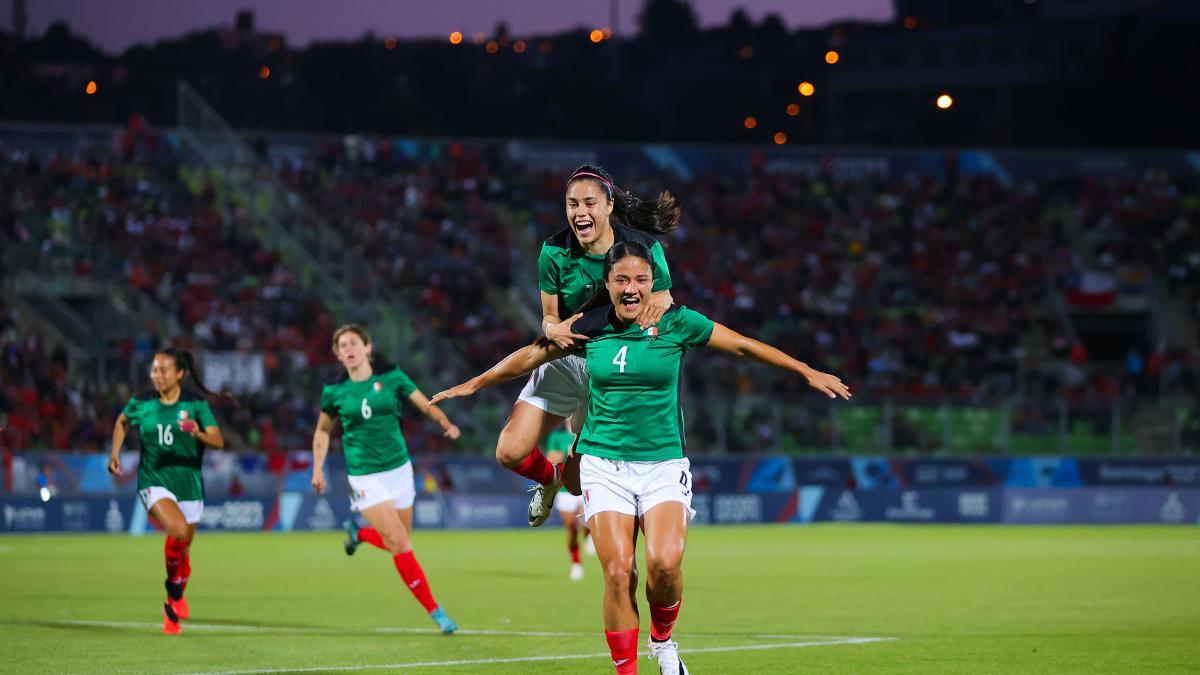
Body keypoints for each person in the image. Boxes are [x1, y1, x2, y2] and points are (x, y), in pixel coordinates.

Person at [431, 242, 851, 674]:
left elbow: (742, 345)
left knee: (665, 566)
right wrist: (476, 384)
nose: (631, 289)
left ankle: (663, 640)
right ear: (608, 284)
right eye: (622, 280)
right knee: (617, 573)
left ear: (655, 283)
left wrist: (807, 371)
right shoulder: (590, 325)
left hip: (663, 464)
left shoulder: (677, 322)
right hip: (603, 464)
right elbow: (531, 356)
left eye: (640, 280)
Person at [502, 164, 680, 527]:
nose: (579, 213)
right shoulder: (553, 251)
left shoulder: (644, 248)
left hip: (613, 367)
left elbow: (663, 305)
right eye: (572, 205)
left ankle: (563, 480)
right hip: (565, 360)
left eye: (589, 203)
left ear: (609, 206)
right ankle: (547, 480)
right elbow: (549, 317)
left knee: (576, 483)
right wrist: (552, 330)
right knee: (510, 451)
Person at [310, 324, 461, 634]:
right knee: (400, 542)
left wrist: (444, 422)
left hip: (399, 470)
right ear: (339, 356)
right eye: (342, 346)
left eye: (353, 343)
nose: (348, 349)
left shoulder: (391, 377)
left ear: (367, 347)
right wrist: (317, 468)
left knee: (400, 540)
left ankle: (358, 533)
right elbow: (323, 431)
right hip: (365, 476)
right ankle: (436, 611)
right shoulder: (335, 391)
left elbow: (422, 403)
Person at [108, 348, 230, 635]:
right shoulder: (142, 401)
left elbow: (218, 440)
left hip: (189, 482)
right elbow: (122, 421)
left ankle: (171, 606)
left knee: (184, 550)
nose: (157, 375)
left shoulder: (196, 405)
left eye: (163, 370)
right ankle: (173, 591)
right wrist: (114, 452)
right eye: (154, 369)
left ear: (180, 374)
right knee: (177, 530)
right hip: (154, 479)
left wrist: (196, 432)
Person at [544, 425, 593, 581]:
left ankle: (589, 535)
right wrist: (570, 453)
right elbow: (551, 457)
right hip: (565, 489)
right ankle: (576, 563)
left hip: (585, 485)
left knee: (584, 521)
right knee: (571, 527)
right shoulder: (556, 437)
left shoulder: (589, 434)